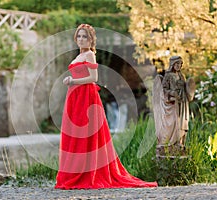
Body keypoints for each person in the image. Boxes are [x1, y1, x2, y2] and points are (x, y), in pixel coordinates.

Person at [55, 24, 158, 189]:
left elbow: (93, 77)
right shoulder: (80, 54)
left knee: (85, 133)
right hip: (75, 96)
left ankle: (86, 173)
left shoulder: (89, 54)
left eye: (85, 37)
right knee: (75, 133)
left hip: (85, 96)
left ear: (91, 40)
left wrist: (73, 81)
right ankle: (74, 172)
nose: (81, 39)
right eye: (79, 36)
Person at [153, 56, 195, 150]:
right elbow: (163, 90)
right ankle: (170, 143)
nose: (179, 66)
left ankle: (179, 142)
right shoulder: (168, 76)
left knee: (181, 122)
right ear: (172, 64)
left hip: (182, 102)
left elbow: (186, 88)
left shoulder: (181, 76)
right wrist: (172, 93)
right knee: (173, 122)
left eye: (180, 64)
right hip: (172, 103)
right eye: (177, 64)